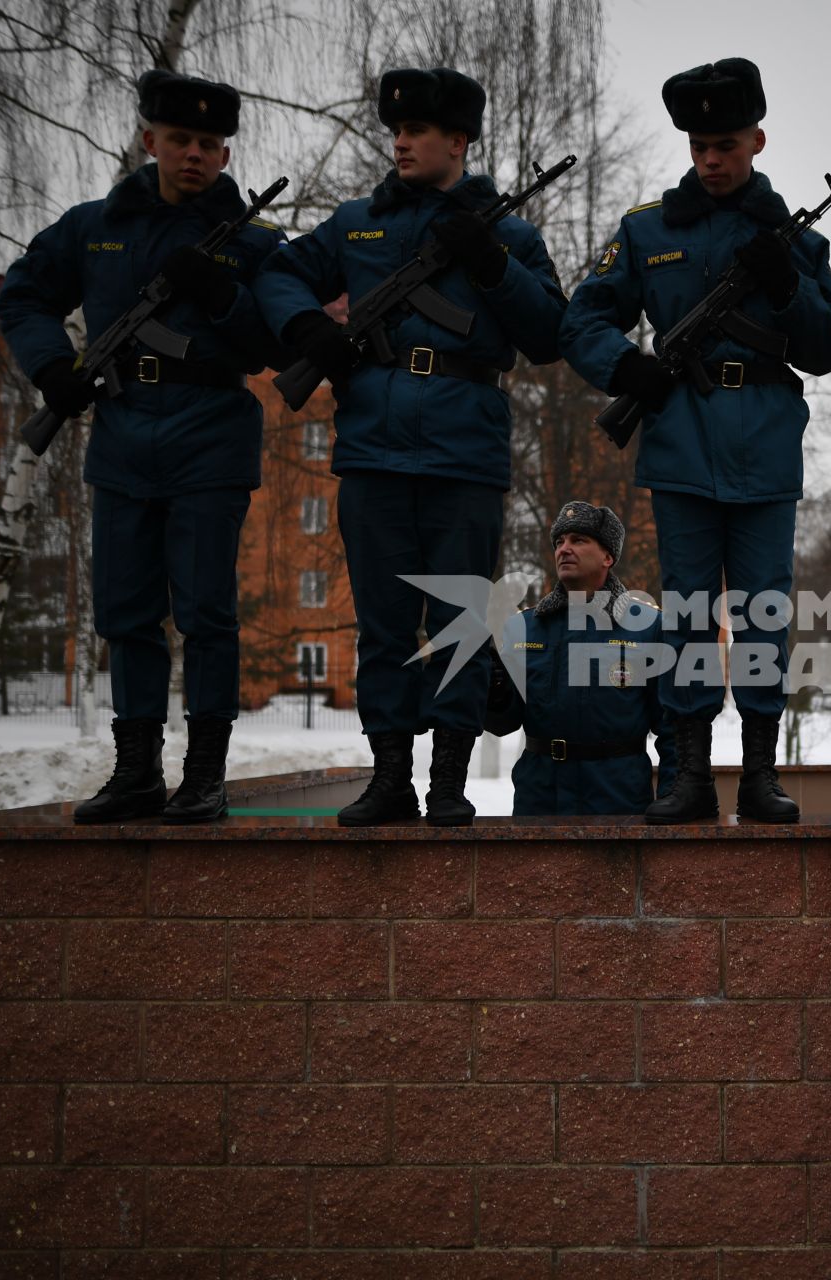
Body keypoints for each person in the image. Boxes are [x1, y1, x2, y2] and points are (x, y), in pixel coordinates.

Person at [255, 67, 565, 826]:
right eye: (395, 130)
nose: (400, 142)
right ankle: (390, 775)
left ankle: (449, 784)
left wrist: (490, 262)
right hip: (373, 449)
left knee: (461, 621)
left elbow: (553, 331)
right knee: (385, 627)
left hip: (465, 450)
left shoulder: (510, 231)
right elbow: (279, 273)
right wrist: (308, 329)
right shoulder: (360, 221)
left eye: (418, 131)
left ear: (458, 142)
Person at [560, 57, 831, 824]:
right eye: (700, 146)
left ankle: (759, 773)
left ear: (757, 138)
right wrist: (628, 367)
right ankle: (688, 774)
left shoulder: (792, 237)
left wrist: (786, 283)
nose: (712, 160)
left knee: (762, 612)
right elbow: (582, 318)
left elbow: (827, 347)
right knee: (687, 612)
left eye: (726, 143)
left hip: (763, 443)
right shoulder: (647, 230)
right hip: (682, 441)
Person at [0, 70, 287, 824]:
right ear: (148, 139)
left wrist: (223, 292)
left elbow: (272, 345)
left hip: (210, 435)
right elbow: (24, 294)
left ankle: (205, 774)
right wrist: (51, 367)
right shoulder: (93, 225)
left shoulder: (254, 240)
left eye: (209, 144)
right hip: (123, 434)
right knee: (124, 613)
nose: (194, 154)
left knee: (204, 613)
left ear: (226, 156)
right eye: (180, 140)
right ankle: (135, 771)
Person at [485, 502, 677, 815]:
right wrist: (493, 690)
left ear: (608, 556)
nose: (565, 549)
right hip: (541, 797)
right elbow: (502, 723)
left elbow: (672, 730)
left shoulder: (647, 627)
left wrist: (671, 797)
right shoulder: (524, 627)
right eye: (559, 542)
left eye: (578, 540)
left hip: (618, 797)